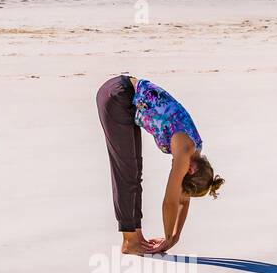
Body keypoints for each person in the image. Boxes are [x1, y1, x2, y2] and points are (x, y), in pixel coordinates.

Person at [96, 73, 224, 255]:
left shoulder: (195, 151)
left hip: (127, 102)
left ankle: (136, 236)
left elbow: (182, 200)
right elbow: (170, 203)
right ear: (191, 169)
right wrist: (168, 240)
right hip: (117, 96)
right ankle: (129, 241)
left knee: (133, 172)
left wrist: (174, 237)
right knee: (126, 172)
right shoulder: (185, 150)